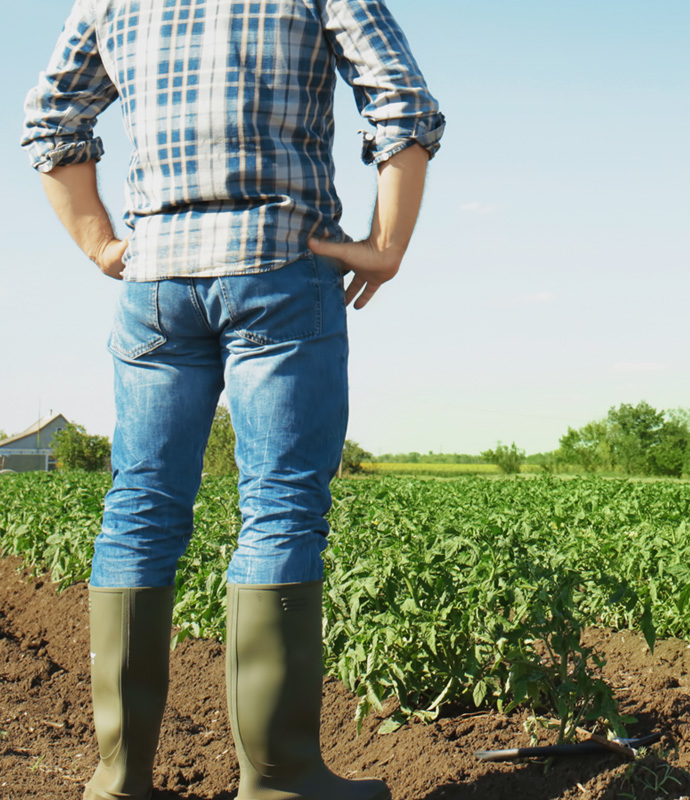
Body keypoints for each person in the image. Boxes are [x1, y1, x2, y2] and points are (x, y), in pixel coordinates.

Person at [22, 1, 444, 798]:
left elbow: (50, 117)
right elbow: (403, 105)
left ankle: (118, 779)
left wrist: (102, 243)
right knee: (279, 505)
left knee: (139, 504)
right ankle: (282, 779)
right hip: (281, 264)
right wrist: (387, 245)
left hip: (155, 282)